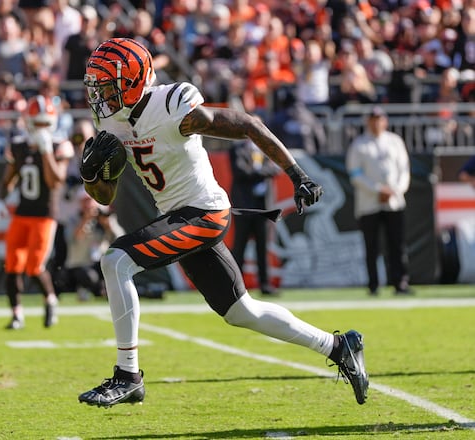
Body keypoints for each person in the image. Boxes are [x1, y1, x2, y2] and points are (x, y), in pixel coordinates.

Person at [76, 38, 368, 408]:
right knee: (241, 312)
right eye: (96, 87)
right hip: (178, 216)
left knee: (115, 261)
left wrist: (297, 174)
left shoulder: (173, 104)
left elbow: (248, 124)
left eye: (105, 86)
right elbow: (106, 196)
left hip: (204, 213)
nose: (99, 96)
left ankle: (128, 375)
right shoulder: (110, 117)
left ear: (132, 81)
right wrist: (91, 176)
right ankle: (339, 346)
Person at [0, 95, 73, 329]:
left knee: (35, 266)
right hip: (22, 213)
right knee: (12, 264)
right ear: (28, 122)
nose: (42, 128)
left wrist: (46, 152)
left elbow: (56, 181)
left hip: (46, 215)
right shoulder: (18, 145)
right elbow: (8, 179)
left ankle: (50, 299)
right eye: (37, 123)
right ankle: (17, 314)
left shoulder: (59, 145)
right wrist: (0, 201)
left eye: (46, 123)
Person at [346, 106, 411, 296]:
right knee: (372, 245)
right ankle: (373, 284)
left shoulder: (395, 141)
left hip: (394, 201)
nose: (376, 122)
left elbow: (404, 170)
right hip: (369, 203)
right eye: (373, 119)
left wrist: (395, 190)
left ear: (385, 121)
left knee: (397, 244)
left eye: (379, 118)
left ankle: (400, 282)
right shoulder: (359, 144)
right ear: (368, 122)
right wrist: (377, 189)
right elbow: (355, 174)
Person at [229, 139, 281, 295]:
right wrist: (265, 171)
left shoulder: (264, 149)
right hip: (244, 207)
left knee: (262, 248)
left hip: (262, 207)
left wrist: (261, 171)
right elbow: (241, 172)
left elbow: (276, 170)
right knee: (239, 248)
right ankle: (234, 286)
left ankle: (265, 285)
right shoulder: (237, 148)